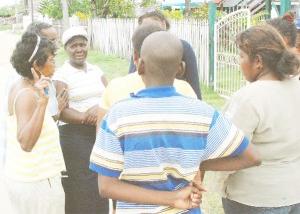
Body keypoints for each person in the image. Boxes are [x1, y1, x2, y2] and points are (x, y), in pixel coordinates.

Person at [90, 31, 261, 213]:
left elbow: (106, 187)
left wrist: (171, 199)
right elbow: (252, 157)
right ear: (181, 69)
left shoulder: (118, 115)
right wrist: (200, 164)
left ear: (140, 66)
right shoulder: (203, 113)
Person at [212, 25, 300, 214]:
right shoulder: (296, 87)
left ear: (258, 61)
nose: (239, 62)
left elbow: (227, 149)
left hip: (254, 198)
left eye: (241, 56)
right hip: (294, 193)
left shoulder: (250, 97)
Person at [4, 31, 66, 213]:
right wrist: (42, 102)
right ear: (37, 65)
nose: (55, 65)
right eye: (51, 61)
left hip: (25, 178)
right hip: (37, 181)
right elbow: (26, 142)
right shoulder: (28, 95)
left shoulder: (22, 86)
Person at [53, 26, 109, 214]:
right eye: (73, 46)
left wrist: (98, 109)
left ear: (88, 46)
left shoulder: (96, 70)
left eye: (82, 44)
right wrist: (86, 117)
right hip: (74, 134)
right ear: (65, 48)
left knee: (101, 179)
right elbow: (62, 111)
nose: (79, 49)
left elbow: (110, 95)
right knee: (83, 184)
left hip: (99, 131)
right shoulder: (62, 75)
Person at [128, 10, 202, 100]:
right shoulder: (140, 48)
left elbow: (194, 85)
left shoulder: (182, 47)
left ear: (164, 25)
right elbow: (131, 80)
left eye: (154, 27)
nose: (151, 32)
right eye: (146, 27)